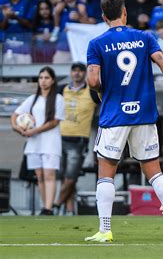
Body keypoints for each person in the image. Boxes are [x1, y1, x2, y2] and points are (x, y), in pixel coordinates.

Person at [85, 0, 163, 243]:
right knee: (154, 172)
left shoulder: (97, 43)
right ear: (125, 13)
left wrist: (102, 90)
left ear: (104, 17)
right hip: (143, 114)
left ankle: (105, 230)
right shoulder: (145, 37)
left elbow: (92, 80)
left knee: (106, 173)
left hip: (114, 115)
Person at [11, 66, 65, 215]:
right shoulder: (32, 99)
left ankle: (48, 208)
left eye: (46, 78)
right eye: (41, 78)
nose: (43, 81)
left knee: (49, 175)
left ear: (53, 80)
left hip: (51, 143)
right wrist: (18, 128)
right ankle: (44, 206)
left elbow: (54, 122)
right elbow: (15, 115)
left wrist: (34, 130)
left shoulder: (58, 99)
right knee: (39, 176)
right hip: (34, 144)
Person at [53, 62, 100, 216]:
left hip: (79, 140)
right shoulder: (61, 90)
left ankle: (54, 205)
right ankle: (70, 210)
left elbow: (104, 102)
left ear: (85, 74)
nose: (77, 73)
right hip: (59, 138)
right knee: (62, 177)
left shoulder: (92, 92)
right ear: (71, 73)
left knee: (70, 178)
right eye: (74, 71)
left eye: (81, 71)